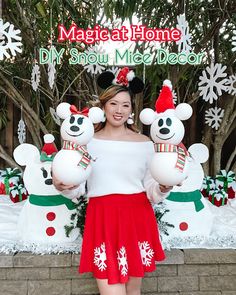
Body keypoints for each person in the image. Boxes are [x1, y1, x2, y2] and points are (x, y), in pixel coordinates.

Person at [53, 68, 172, 295]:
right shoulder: (87, 142)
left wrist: (163, 187)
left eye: (125, 105)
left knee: (133, 291)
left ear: (132, 109)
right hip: (103, 217)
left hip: (137, 217)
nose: (119, 110)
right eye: (113, 104)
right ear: (103, 106)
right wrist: (63, 186)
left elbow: (151, 189)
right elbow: (77, 185)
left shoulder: (145, 143)